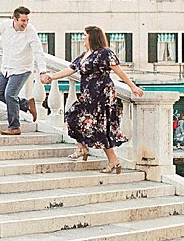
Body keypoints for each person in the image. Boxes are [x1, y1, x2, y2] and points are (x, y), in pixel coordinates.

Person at [42, 26, 144, 169]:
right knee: (71, 116)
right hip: (88, 94)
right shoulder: (85, 54)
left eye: (85, 35)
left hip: (102, 94)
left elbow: (118, 71)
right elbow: (71, 69)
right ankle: (82, 148)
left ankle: (113, 161)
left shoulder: (105, 53)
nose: (83, 37)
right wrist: (52, 77)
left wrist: (132, 86)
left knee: (100, 127)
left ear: (92, 37)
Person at [0, 7, 46, 136]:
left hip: (22, 69)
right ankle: (25, 104)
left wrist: (42, 71)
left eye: (27, 20)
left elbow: (38, 52)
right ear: (14, 19)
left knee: (10, 94)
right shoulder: (5, 26)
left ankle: (14, 127)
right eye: (23, 20)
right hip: (6, 68)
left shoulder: (31, 31)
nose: (25, 23)